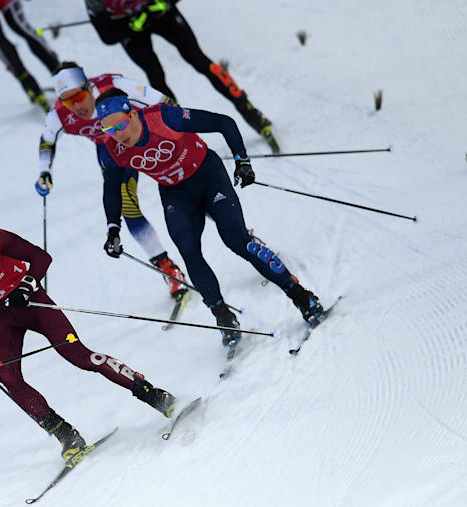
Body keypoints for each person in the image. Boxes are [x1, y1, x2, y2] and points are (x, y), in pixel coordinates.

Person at [0, 208, 175, 462]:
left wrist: (24, 288)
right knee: (9, 378)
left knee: (79, 356)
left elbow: (40, 257)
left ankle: (153, 394)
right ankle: (67, 436)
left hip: (29, 303)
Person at [93, 89, 325, 347]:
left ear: (132, 113)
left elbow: (223, 122)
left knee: (237, 240)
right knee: (189, 252)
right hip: (175, 194)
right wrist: (113, 228)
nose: (117, 134)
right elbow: (111, 188)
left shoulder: (164, 118)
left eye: (121, 124)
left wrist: (242, 161)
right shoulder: (111, 149)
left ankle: (302, 297)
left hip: (207, 176)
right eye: (109, 129)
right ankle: (223, 318)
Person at [82, 0, 281, 152]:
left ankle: (248, 109)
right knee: (155, 76)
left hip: (161, 14)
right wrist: (131, 26)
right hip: (131, 28)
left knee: (198, 59)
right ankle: (181, 133)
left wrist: (164, 3)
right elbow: (107, 36)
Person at [36, 61, 189, 301]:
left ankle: (242, 235)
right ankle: (168, 268)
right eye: (68, 101)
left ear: (88, 88)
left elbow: (164, 102)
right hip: (111, 152)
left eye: (78, 96)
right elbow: (47, 140)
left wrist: (183, 133)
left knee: (187, 184)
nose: (76, 106)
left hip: (144, 138)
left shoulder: (113, 86)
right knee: (127, 207)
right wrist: (44, 171)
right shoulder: (59, 114)